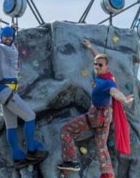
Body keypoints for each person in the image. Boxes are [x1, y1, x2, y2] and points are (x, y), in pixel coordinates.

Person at [57, 39, 134, 178]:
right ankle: (108, 174)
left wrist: (123, 99)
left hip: (96, 116)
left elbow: (114, 91)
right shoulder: (106, 74)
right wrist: (90, 47)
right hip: (105, 117)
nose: (97, 67)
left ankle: (71, 160)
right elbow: (99, 57)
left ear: (106, 66)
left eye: (100, 65)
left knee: (65, 130)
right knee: (101, 146)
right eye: (95, 65)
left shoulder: (107, 82)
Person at [0, 12, 48, 169]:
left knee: (11, 125)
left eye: (10, 37)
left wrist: (11, 28)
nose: (7, 39)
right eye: (5, 37)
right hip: (5, 90)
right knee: (30, 115)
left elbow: (10, 40)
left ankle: (17, 156)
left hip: (7, 92)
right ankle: (32, 149)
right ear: (1, 37)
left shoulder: (10, 46)